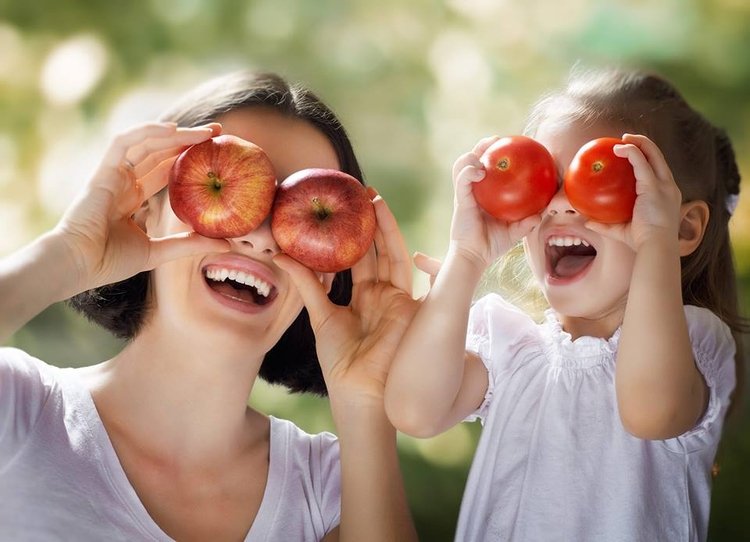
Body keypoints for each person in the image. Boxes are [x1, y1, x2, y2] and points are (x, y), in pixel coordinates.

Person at [0, 70, 419, 542]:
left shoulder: (333, 488)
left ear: (328, 272)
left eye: (300, 211)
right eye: (233, 187)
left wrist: (366, 401)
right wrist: (69, 255)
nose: (259, 237)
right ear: (145, 211)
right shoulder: (19, 409)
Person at [385, 68, 745, 541]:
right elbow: (414, 411)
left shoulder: (693, 341)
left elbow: (650, 411)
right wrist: (467, 256)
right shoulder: (512, 351)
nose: (559, 205)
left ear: (683, 228)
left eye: (598, 181)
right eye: (544, 182)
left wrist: (654, 241)